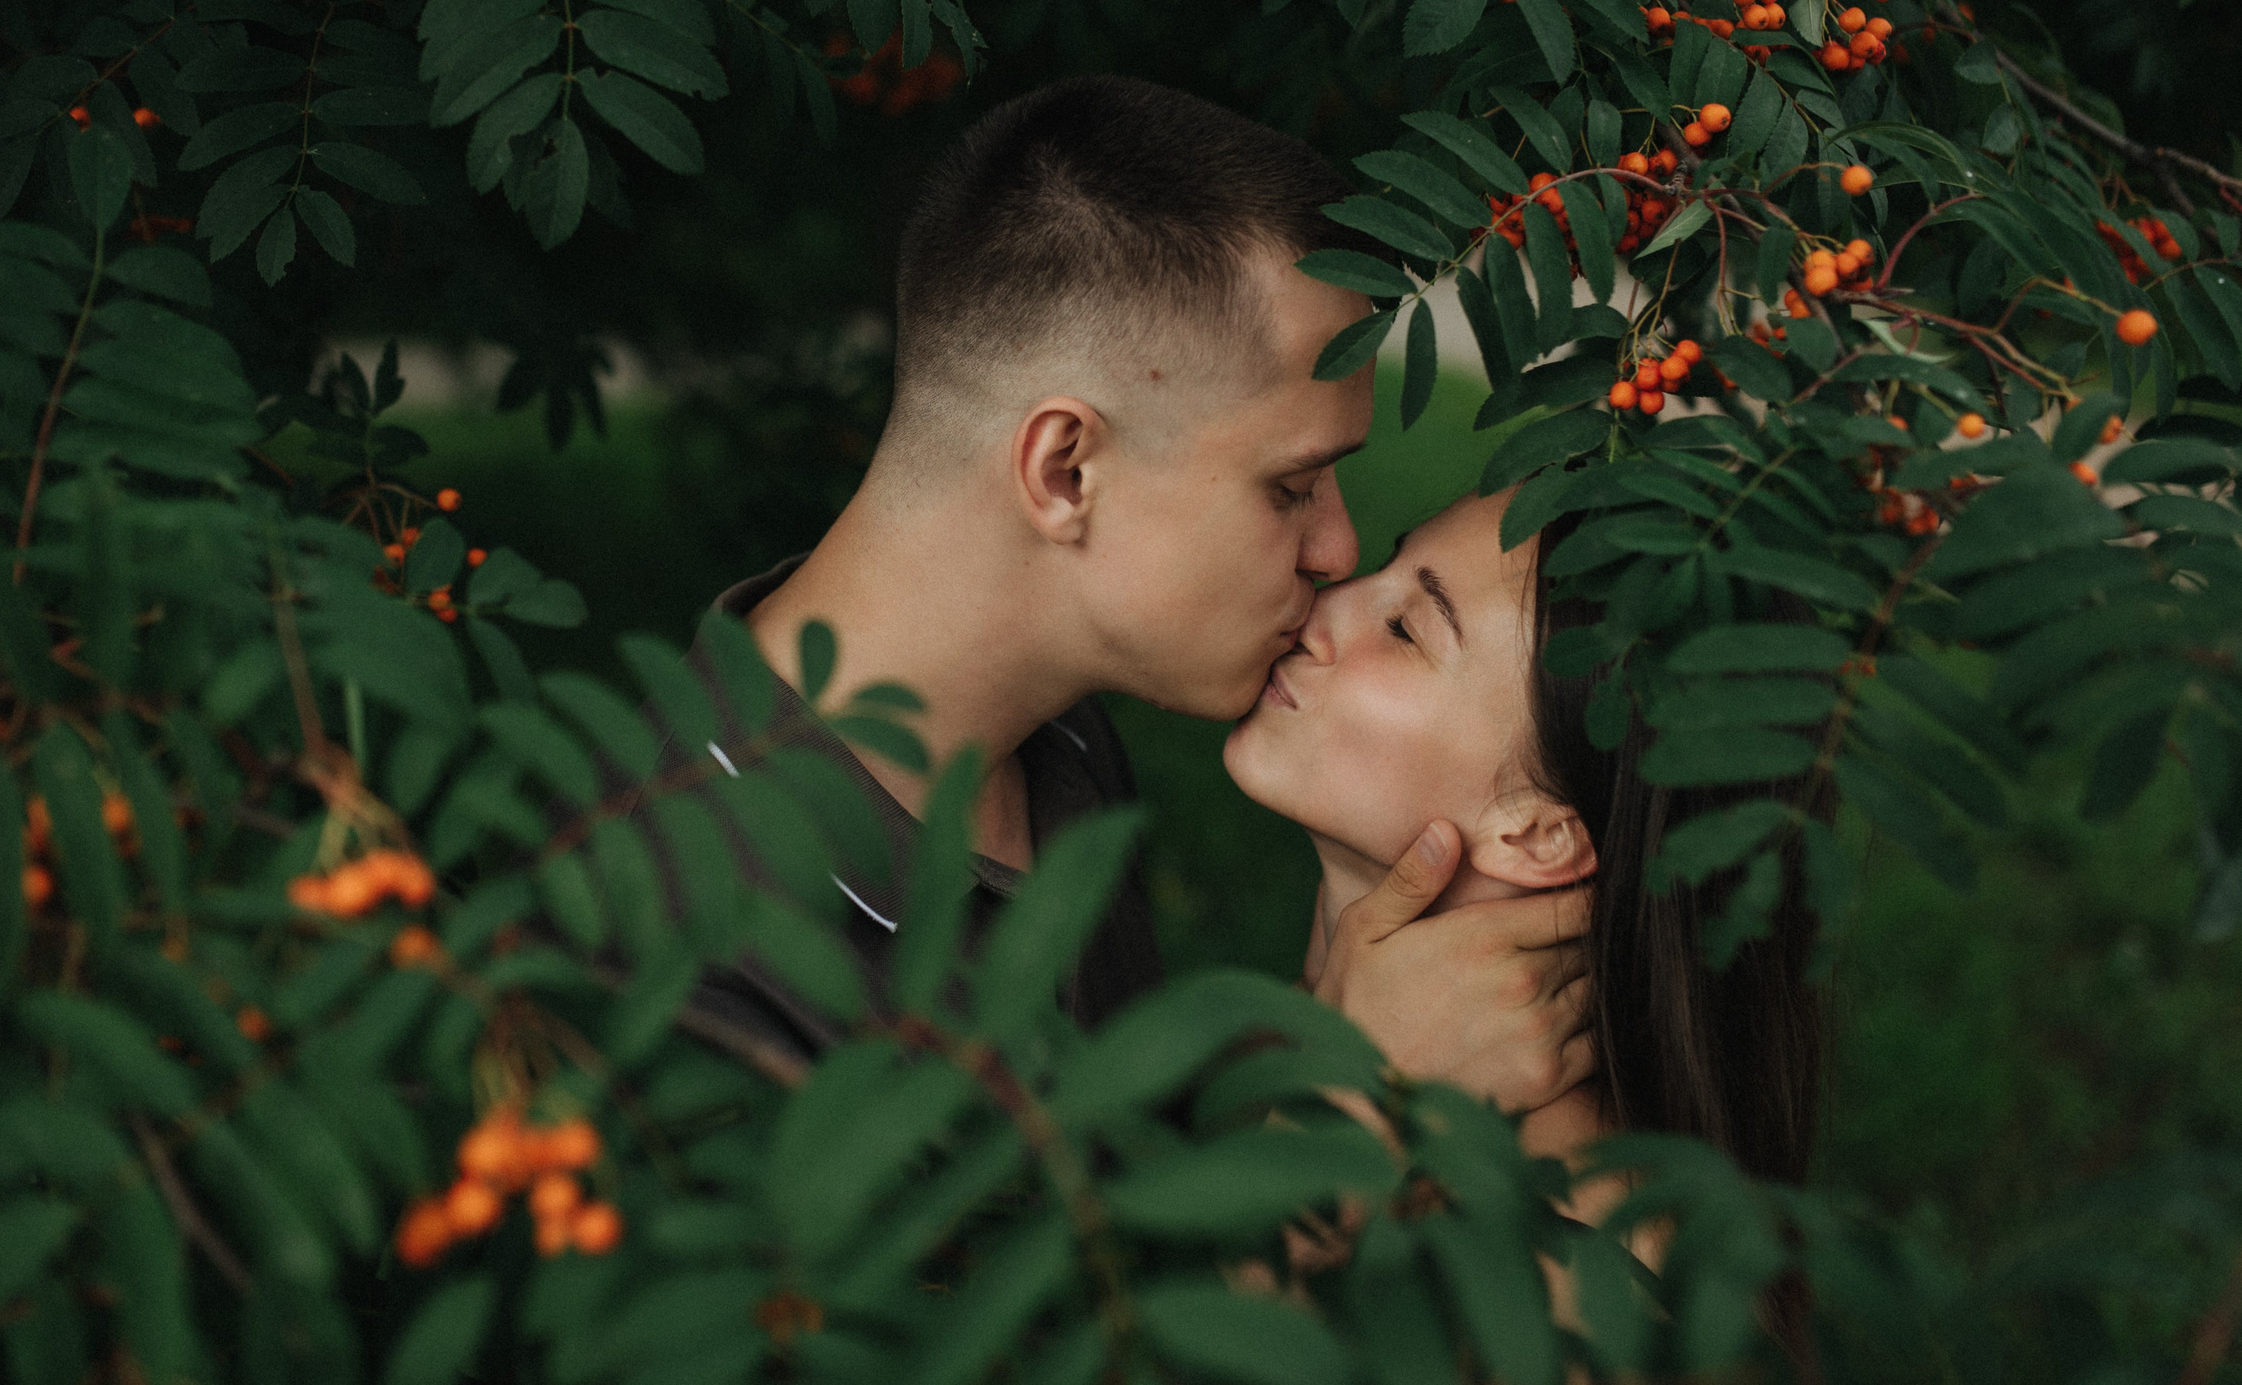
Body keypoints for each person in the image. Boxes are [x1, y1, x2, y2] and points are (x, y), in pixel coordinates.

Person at [657, 75, 1595, 1108]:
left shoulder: (1061, 750)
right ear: (1065, 470)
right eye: (1289, 485)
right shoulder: (667, 936)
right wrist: (1351, 1107)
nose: (1336, 547)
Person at [1223, 488, 1827, 1194]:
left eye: (1405, 629)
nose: (1318, 606)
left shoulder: (1555, 1250)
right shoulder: (1260, 1048)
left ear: (1540, 833)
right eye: (1387, 563)